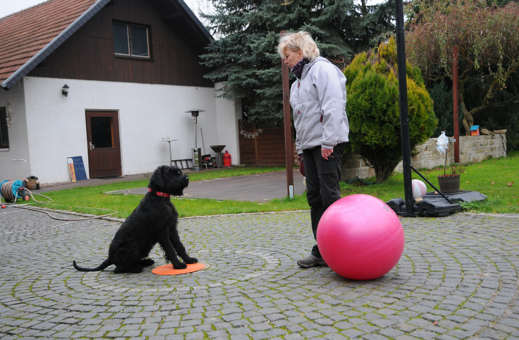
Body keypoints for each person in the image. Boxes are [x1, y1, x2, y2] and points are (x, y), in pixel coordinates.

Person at [278, 31, 349, 268]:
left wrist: (329, 142)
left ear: (300, 52)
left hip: (327, 145)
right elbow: (299, 121)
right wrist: (300, 151)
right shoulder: (298, 82)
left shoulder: (322, 70)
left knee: (330, 196)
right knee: (314, 197)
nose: (285, 61)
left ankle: (343, 247)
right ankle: (323, 250)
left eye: (287, 56)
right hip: (309, 147)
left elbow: (333, 105)